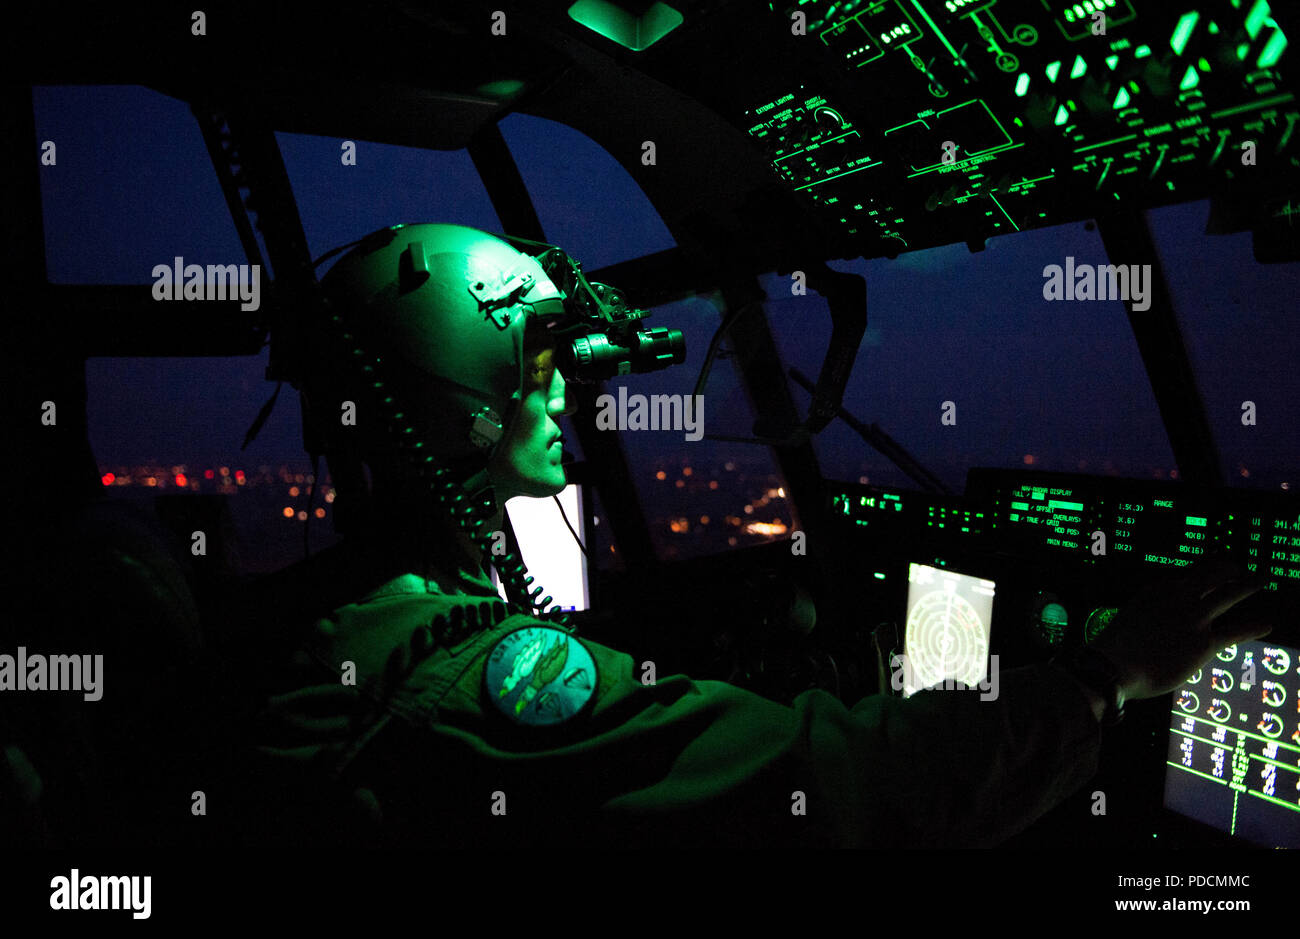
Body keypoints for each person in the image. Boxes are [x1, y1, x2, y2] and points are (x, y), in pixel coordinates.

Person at [247, 223, 1272, 847]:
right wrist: (1106, 678)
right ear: (459, 389)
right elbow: (851, 793)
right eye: (541, 360)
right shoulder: (475, 675)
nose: (570, 394)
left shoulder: (365, 612)